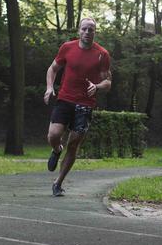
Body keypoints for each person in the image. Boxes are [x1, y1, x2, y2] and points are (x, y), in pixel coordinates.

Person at [43, 17, 112, 196]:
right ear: (79, 31)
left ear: (95, 32)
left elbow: (108, 82)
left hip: (85, 104)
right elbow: (52, 69)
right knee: (54, 135)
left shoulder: (102, 54)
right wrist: (50, 87)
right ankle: (57, 149)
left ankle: (58, 183)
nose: (87, 32)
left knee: (73, 144)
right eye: (84, 29)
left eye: (91, 30)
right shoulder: (67, 48)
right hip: (65, 99)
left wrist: (96, 87)